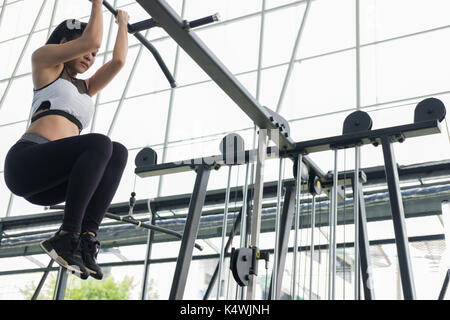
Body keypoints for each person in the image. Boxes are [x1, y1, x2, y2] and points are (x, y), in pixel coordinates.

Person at [3, 0, 130, 280]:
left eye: (95, 55)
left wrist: (123, 25)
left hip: (50, 184)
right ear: (64, 44)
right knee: (100, 143)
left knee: (118, 152)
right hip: (26, 164)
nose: (90, 56)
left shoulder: (86, 87)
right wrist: (97, 4)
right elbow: (92, 38)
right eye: (85, 51)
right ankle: (67, 233)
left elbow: (118, 61)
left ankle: (85, 238)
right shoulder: (44, 62)